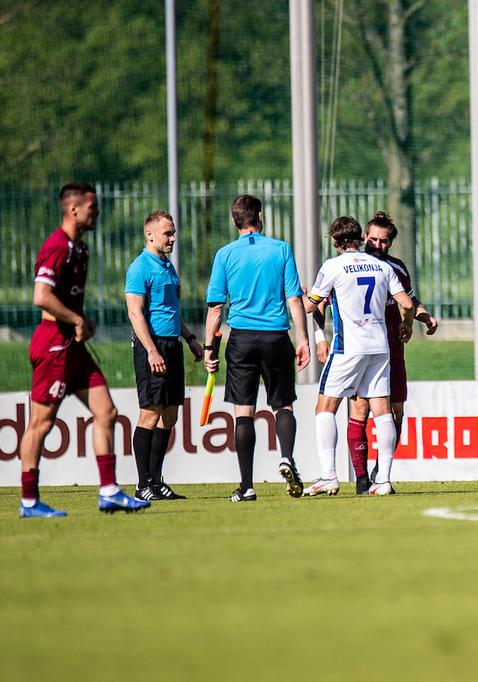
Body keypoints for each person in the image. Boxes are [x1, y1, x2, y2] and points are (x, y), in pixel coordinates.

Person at [19, 182, 150, 517]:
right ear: (73, 209)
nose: (97, 212)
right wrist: (76, 318)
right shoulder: (56, 246)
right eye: (92, 207)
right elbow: (41, 297)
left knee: (106, 412)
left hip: (73, 346)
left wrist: (82, 321)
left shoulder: (81, 249)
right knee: (41, 424)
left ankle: (109, 491)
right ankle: (29, 501)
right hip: (53, 344)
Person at [308, 211, 437, 496]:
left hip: (375, 348)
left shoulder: (384, 267)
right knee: (364, 409)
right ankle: (364, 478)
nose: (378, 245)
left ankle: (354, 475)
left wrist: (422, 317)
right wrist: (320, 338)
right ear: (363, 237)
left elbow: (410, 301)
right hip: (378, 347)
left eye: (384, 241)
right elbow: (405, 304)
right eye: (373, 239)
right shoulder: (378, 269)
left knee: (389, 411)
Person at [204, 194, 310, 502]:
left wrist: (209, 349)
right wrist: (302, 338)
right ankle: (287, 457)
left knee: (244, 412)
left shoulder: (224, 255)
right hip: (276, 337)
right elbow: (294, 299)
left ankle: (247, 486)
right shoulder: (280, 249)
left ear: (235, 221)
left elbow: (215, 309)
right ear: (259, 217)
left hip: (242, 339)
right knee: (283, 405)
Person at [124, 210, 203, 500]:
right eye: (167, 233)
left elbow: (171, 310)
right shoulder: (139, 267)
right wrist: (151, 350)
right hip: (152, 346)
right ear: (150, 234)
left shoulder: (168, 266)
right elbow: (135, 312)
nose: (173, 238)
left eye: (173, 232)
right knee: (150, 413)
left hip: (172, 345)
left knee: (169, 417)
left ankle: (156, 481)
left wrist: (190, 338)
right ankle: (143, 483)